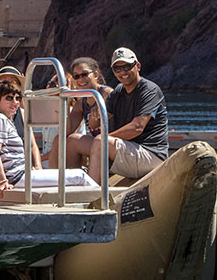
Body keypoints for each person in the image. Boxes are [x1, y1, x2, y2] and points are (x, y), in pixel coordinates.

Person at [0, 78, 96, 199]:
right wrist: (2, 181)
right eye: (9, 98)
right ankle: (105, 206)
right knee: (80, 176)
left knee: (76, 176)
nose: (15, 102)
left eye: (18, 98)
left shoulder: (0, 119)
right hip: (17, 176)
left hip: (18, 174)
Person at [63, 47, 168, 182]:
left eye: (127, 67)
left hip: (150, 155)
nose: (123, 72)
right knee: (72, 140)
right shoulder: (118, 91)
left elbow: (137, 127)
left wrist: (102, 138)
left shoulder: (149, 90)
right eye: (117, 69)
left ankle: (89, 195)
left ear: (138, 66)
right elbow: (95, 124)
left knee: (101, 141)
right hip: (126, 150)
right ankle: (70, 190)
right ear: (113, 71)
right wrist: (94, 118)